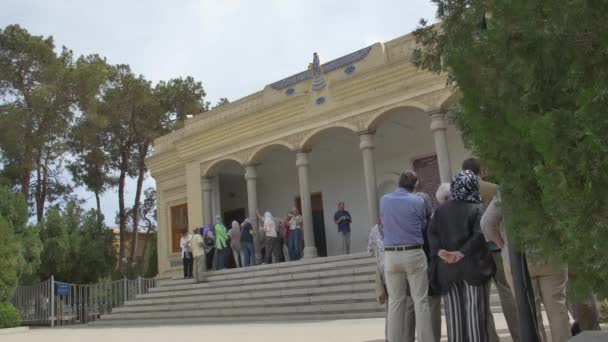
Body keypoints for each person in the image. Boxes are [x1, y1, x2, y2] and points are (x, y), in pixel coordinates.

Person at [481, 192, 571, 342]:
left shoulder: (506, 191)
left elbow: (486, 223)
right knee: (557, 309)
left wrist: (503, 245)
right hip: (551, 255)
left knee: (530, 314)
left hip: (520, 259)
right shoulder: (547, 182)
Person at [428, 170, 496, 342]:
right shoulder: (477, 207)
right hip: (473, 268)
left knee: (454, 318)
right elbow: (480, 235)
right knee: (475, 314)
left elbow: (431, 233)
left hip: (447, 269)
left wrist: (440, 251)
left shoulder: (440, 211)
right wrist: (461, 253)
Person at [462, 158, 520, 342]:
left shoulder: (461, 194)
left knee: (482, 299)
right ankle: (519, 335)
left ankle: (491, 338)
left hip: (476, 252)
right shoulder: (494, 189)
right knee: (507, 292)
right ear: (481, 171)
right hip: (496, 245)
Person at [380, 170, 435, 342]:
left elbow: (383, 223)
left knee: (395, 302)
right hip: (413, 252)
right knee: (421, 301)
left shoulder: (384, 200)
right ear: (415, 184)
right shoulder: (418, 200)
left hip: (391, 254)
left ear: (399, 183)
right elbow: (422, 224)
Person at [415, 191, 442, 342]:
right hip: (430, 268)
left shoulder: (412, 225)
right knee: (433, 305)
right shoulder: (432, 224)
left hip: (416, 269)